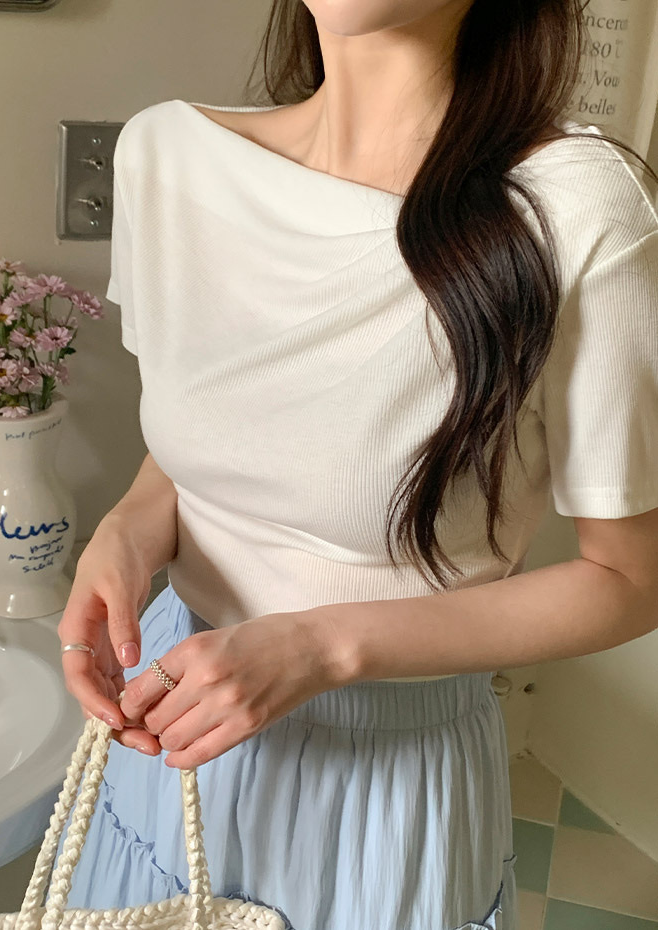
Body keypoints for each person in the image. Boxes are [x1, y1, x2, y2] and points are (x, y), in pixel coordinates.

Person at [50, 1, 658, 928]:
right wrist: (129, 529)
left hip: (386, 776)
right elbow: (205, 442)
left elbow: (630, 579)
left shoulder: (577, 209)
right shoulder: (166, 157)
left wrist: (320, 645)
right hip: (172, 720)